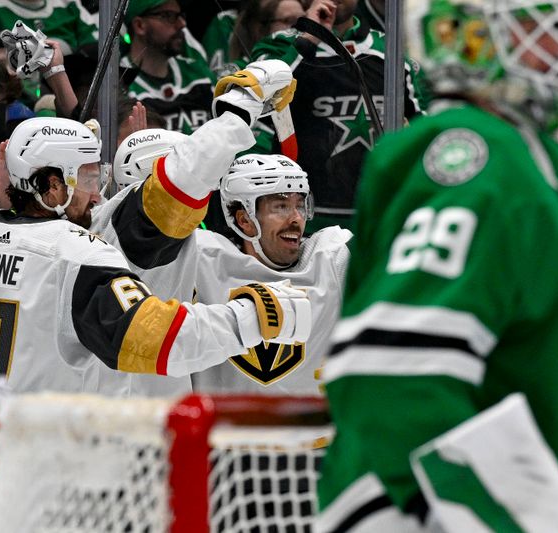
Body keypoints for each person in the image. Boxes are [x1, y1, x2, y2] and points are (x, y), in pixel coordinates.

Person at [0, 60, 312, 435]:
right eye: (89, 178)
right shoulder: (77, 254)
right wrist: (254, 316)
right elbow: (155, 338)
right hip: (45, 483)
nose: (99, 191)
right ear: (53, 186)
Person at [316, 0, 558, 530]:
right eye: (537, 29)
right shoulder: (473, 155)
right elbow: (396, 376)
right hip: (446, 511)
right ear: (472, 37)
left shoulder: (546, 165)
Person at [251, 0, 427, 232]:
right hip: (303, 219)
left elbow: (424, 129)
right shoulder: (280, 46)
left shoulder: (391, 50)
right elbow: (258, 99)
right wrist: (310, 37)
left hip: (377, 217)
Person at [190, 154, 351, 394]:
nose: (296, 218)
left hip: (312, 430)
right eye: (281, 206)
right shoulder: (202, 259)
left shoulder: (331, 257)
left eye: (299, 205)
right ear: (244, 220)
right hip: (220, 429)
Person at [121, 0, 217, 134]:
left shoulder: (199, 73)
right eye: (168, 16)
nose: (182, 24)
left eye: (181, 15)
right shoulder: (119, 84)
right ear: (139, 25)